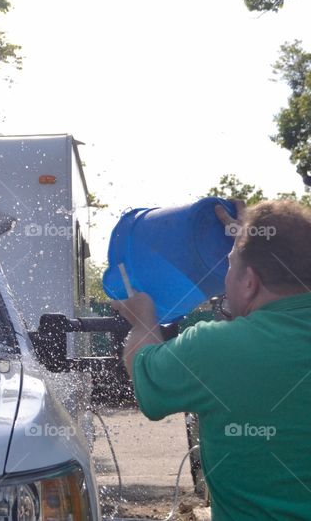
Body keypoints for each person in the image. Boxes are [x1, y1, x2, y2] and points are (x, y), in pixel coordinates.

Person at [113, 199, 311, 520]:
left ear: (249, 282)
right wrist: (257, 238)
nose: (224, 274)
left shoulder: (212, 348)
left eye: (229, 263)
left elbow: (144, 370)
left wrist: (143, 322)